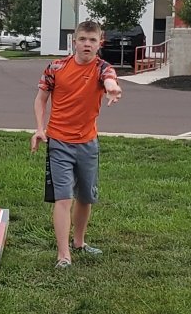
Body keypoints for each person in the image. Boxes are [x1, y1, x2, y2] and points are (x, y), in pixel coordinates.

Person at [30, 20, 122, 270]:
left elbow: (110, 79)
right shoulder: (56, 67)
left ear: (100, 43)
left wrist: (112, 88)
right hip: (59, 142)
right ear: (74, 42)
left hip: (88, 143)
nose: (87, 44)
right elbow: (41, 99)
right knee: (63, 199)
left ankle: (79, 243)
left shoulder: (102, 68)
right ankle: (64, 255)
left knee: (85, 197)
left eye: (92, 40)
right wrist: (39, 128)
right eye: (82, 39)